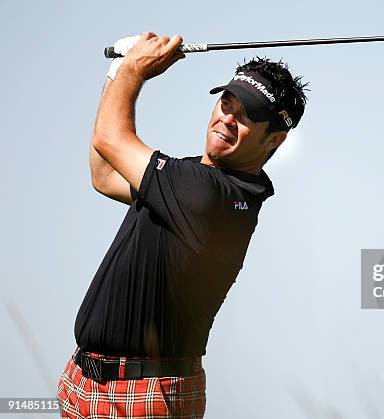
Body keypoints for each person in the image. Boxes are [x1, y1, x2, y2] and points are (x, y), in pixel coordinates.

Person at [56, 32, 308, 418]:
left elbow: (110, 138)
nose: (228, 118)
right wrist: (116, 73)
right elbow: (105, 174)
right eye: (227, 103)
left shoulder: (207, 195)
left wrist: (133, 70)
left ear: (274, 139)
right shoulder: (196, 179)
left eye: (247, 116)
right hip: (89, 385)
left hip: (142, 396)